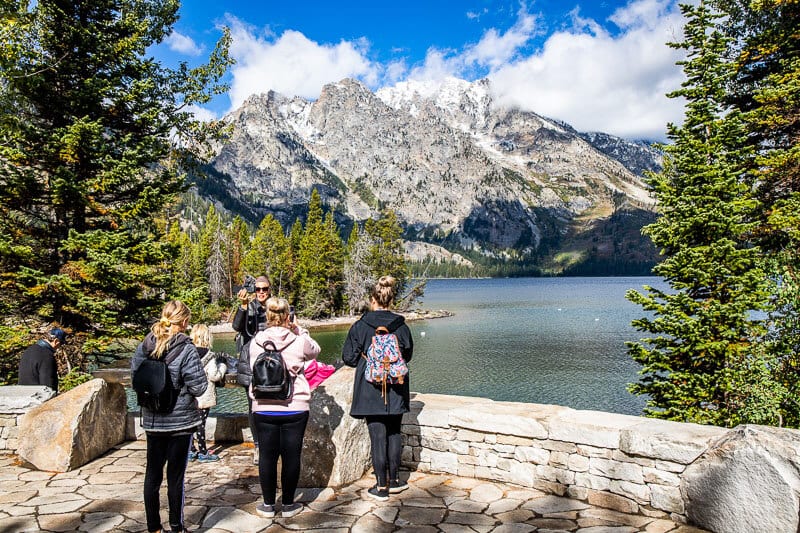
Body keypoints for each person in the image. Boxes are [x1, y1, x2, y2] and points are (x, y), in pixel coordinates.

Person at [131, 301, 208, 533]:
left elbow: (135, 375)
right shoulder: (186, 348)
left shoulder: (145, 345)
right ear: (184, 323)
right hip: (180, 422)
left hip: (153, 420)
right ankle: (176, 526)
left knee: (152, 476)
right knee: (175, 478)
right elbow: (200, 386)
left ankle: (154, 527)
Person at [342, 275, 414, 501]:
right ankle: (394, 481)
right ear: (390, 300)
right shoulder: (401, 325)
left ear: (373, 299)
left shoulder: (360, 325)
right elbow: (408, 355)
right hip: (396, 386)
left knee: (377, 436)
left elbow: (348, 358)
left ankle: (381, 486)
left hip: (370, 388)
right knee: (394, 433)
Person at [249, 297, 320, 519]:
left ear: (267, 317)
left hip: (263, 406)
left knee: (267, 457)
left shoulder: (256, 342)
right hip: (294, 406)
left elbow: (252, 366)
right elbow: (315, 351)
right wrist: (301, 330)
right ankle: (289, 504)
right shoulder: (298, 340)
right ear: (288, 316)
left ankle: (268, 504)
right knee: (292, 456)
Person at [232, 275, 271, 463]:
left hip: (272, 363)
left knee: (273, 403)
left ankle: (270, 443)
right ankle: (258, 446)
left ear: (270, 290)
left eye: (264, 289)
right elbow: (237, 326)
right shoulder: (249, 305)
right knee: (253, 406)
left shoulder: (275, 306)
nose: (261, 292)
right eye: (258, 289)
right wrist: (243, 306)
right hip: (250, 363)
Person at [188, 324, 227, 463]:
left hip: (190, 394)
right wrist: (223, 366)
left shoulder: (188, 353)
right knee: (201, 424)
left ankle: (191, 450)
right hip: (204, 394)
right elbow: (214, 376)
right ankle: (203, 452)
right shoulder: (209, 356)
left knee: (191, 423)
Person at [18, 327, 67, 392]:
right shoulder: (47, 356)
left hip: (23, 395)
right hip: (37, 398)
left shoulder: (28, 350)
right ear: (56, 341)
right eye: (61, 343)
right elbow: (48, 386)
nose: (60, 346)